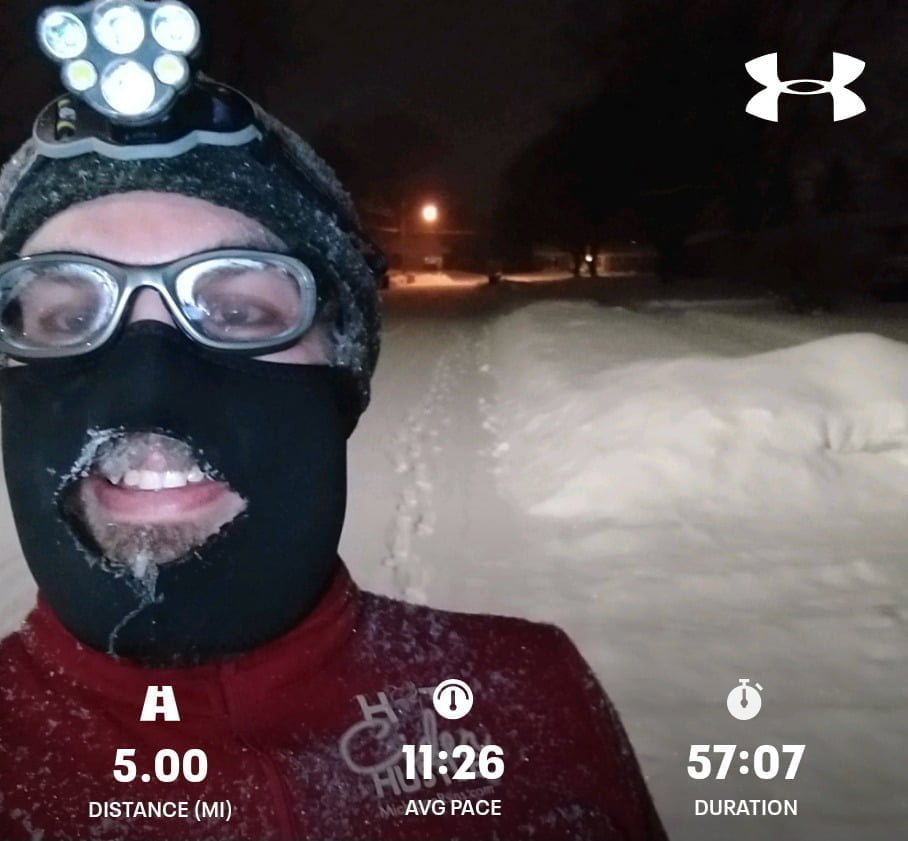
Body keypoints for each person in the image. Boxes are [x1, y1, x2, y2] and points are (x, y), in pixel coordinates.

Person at [0, 3, 668, 839]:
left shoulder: (534, 705)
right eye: (68, 317)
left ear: (342, 364)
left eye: (236, 309)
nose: (144, 386)